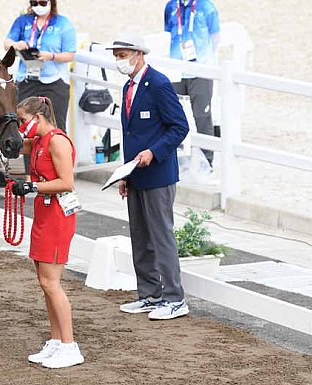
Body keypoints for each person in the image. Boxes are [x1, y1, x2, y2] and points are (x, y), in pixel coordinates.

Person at [105, 33, 191, 321]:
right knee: (140, 236)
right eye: (116, 56)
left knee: (161, 236)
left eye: (122, 55)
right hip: (135, 173)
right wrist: (125, 173)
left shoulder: (159, 84)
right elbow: (130, 133)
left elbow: (179, 127)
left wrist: (154, 152)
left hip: (158, 173)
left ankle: (175, 298)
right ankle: (150, 294)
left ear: (138, 54)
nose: (119, 61)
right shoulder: (128, 87)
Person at [10, 96, 84, 369]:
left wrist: (32, 188)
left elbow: (66, 182)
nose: (20, 126)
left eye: (22, 121)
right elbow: (11, 146)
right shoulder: (39, 142)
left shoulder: (57, 141)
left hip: (56, 217)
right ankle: (56, 341)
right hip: (44, 213)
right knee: (45, 282)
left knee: (51, 283)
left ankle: (69, 344)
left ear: (37, 118)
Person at [4, 0, 76, 176]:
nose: (38, 5)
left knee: (56, 126)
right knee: (26, 127)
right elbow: (7, 42)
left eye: (42, 1)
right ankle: (32, 174)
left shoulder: (63, 23)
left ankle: (62, 174)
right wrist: (16, 46)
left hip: (54, 80)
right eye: (34, 2)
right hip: (28, 79)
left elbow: (70, 54)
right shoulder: (23, 21)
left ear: (52, 2)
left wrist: (50, 55)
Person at [164, 0, 220, 167]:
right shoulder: (171, 6)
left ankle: (207, 163)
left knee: (202, 118)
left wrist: (204, 60)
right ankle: (174, 158)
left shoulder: (206, 7)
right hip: (176, 70)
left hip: (200, 72)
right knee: (171, 116)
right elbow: (169, 32)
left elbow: (216, 38)